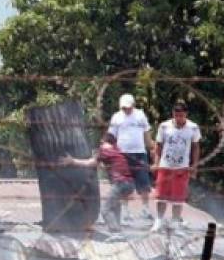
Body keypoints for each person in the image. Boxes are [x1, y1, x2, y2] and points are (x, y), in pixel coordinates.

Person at [61, 133, 136, 235]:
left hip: (119, 183)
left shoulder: (104, 149)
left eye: (102, 142)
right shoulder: (117, 150)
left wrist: (72, 161)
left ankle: (116, 232)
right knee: (115, 206)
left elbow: (91, 162)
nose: (100, 144)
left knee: (105, 209)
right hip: (130, 184)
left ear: (105, 141)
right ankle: (118, 230)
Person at [151, 100, 201, 232]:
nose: (178, 118)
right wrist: (156, 163)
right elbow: (158, 145)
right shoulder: (164, 126)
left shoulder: (193, 128)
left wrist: (194, 165)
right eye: (176, 115)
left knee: (178, 197)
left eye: (181, 116)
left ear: (186, 114)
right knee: (161, 195)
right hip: (165, 165)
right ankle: (159, 220)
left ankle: (175, 223)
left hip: (182, 167)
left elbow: (196, 147)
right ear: (173, 114)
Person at [108, 93, 155, 222]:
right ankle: (125, 210)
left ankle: (145, 209)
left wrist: (151, 147)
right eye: (123, 107)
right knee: (124, 182)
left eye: (128, 107)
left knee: (144, 181)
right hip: (122, 154)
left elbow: (146, 133)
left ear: (133, 105)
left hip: (139, 153)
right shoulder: (116, 117)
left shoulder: (140, 115)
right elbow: (111, 136)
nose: (126, 109)